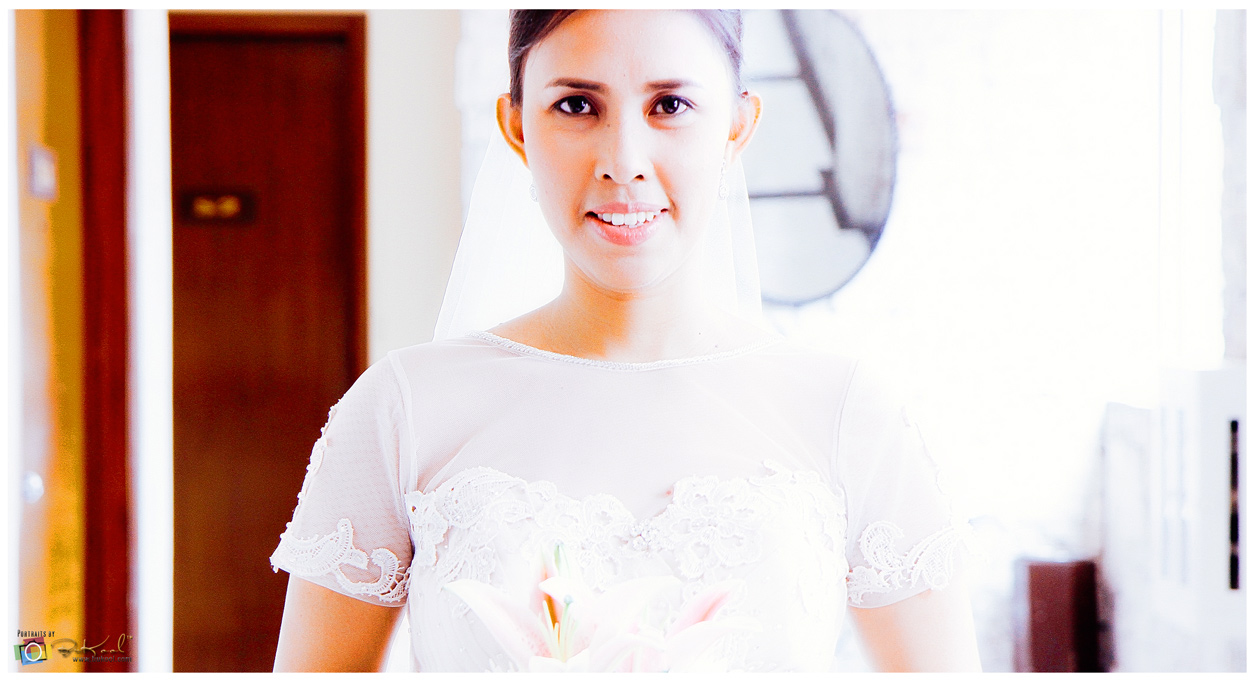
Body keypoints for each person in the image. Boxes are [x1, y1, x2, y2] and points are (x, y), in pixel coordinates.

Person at [269, 9, 981, 672]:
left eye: (670, 105)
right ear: (515, 127)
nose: (624, 161)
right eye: (577, 105)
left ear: (737, 127)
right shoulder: (403, 407)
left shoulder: (848, 412)